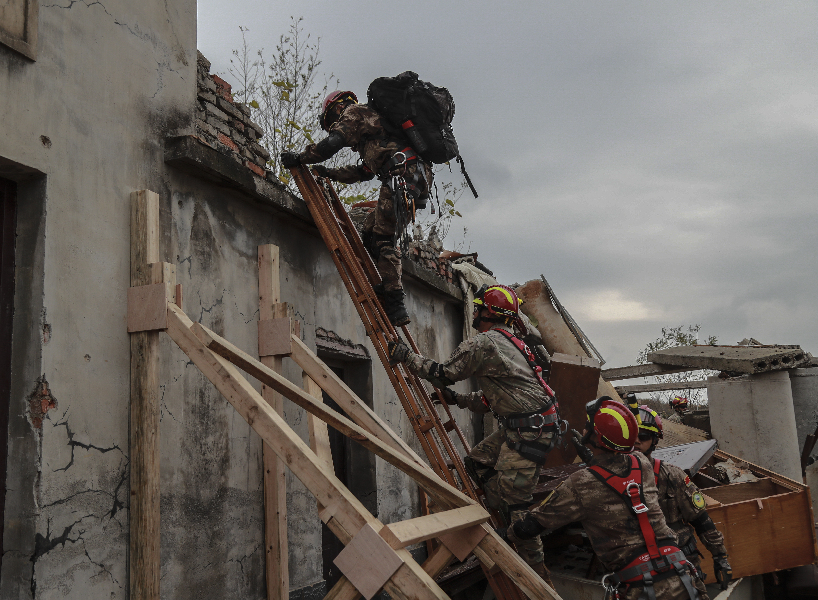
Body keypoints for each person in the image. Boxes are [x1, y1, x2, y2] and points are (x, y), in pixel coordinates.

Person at [386, 284, 561, 582]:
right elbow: (495, 397)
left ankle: (536, 575)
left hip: (528, 433)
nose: (475, 312)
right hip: (528, 426)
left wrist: (405, 356)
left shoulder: (484, 344)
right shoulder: (514, 343)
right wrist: (458, 401)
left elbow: (443, 373)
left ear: (488, 312)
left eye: (478, 307)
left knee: (519, 506)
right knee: (476, 463)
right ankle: (501, 521)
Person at [504, 397, 709, 600]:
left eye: (587, 426)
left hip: (642, 589)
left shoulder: (579, 483)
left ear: (596, 437)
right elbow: (617, 474)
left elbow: (533, 525)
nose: (584, 429)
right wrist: (595, 459)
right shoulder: (641, 463)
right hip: (683, 577)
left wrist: (507, 534)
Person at [280, 90, 433, 326]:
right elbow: (362, 173)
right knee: (371, 234)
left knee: (383, 240)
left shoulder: (353, 112)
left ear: (337, 108)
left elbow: (332, 143)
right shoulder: (373, 135)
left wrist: (301, 158)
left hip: (403, 176)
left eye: (331, 120)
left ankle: (395, 302)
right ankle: (387, 285)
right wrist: (328, 173)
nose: (334, 126)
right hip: (412, 177)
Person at [634, 405, 732, 589]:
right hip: (637, 570)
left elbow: (701, 520)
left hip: (679, 567)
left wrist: (720, 557)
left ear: (655, 440)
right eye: (632, 435)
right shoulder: (610, 478)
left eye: (644, 436)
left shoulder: (672, 476)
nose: (637, 441)